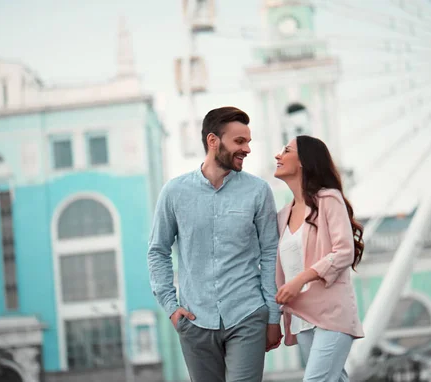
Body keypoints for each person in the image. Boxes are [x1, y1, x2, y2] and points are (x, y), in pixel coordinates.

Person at [147, 106, 283, 382]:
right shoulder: (174, 192)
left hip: (247, 314)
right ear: (213, 141)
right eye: (239, 141)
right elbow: (158, 250)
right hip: (195, 321)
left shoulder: (258, 191)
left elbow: (271, 253)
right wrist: (171, 308)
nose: (247, 149)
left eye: (248, 141)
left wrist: (272, 315)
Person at [273, 135, 365, 382]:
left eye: (287, 150)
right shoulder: (282, 216)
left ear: (303, 161)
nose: (278, 155)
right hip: (301, 318)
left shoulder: (328, 199)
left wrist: (300, 280)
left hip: (331, 314)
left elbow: (344, 251)